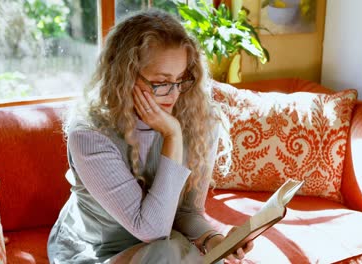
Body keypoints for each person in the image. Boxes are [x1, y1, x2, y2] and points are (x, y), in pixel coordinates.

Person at [47, 8, 252, 264]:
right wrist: (172, 136)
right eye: (161, 82)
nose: (174, 94)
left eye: (181, 79)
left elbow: (186, 212)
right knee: (168, 252)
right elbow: (152, 231)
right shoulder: (90, 134)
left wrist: (213, 240)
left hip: (165, 244)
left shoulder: (200, 119)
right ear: (124, 75)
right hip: (98, 250)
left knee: (192, 255)